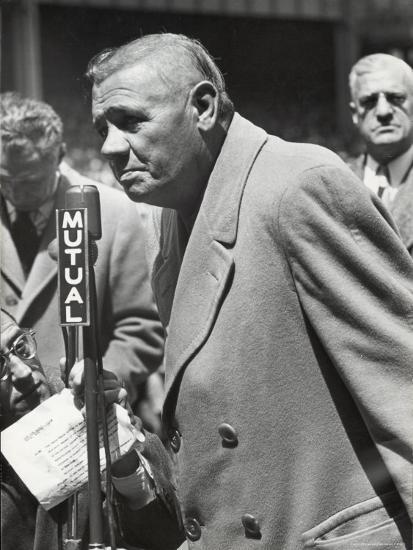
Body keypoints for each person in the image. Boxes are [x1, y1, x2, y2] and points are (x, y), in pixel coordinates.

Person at [85, 33, 413, 549]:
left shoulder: (300, 185)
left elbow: (402, 388)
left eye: (130, 121)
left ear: (204, 107)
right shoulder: (171, 218)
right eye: (102, 127)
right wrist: (125, 437)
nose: (108, 146)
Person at [0, 93, 164, 407]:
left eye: (31, 181)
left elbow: (141, 330)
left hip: (81, 415)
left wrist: (103, 376)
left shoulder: (113, 212)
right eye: (5, 179)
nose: (16, 192)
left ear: (59, 155)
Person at [0, 308, 89, 549]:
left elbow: (166, 528)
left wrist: (123, 453)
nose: (23, 372)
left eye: (21, 346)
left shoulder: (85, 404)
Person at [348, 53, 413, 256]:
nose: (383, 111)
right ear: (354, 114)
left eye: (396, 98)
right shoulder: (335, 182)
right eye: (369, 101)